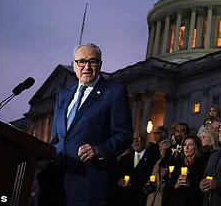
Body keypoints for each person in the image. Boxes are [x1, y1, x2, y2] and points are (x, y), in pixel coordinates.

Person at [50, 43, 133, 206]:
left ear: (100, 65)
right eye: (81, 61)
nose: (86, 67)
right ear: (74, 65)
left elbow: (124, 135)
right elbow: (57, 139)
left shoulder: (114, 92)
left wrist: (98, 150)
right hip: (57, 185)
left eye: (92, 61)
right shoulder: (63, 96)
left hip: (90, 187)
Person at [117, 134, 160, 206]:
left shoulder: (153, 158)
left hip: (143, 198)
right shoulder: (125, 158)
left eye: (139, 139)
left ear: (145, 141)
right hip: (126, 198)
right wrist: (119, 180)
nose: (135, 141)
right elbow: (118, 174)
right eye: (133, 139)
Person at [168, 135, 207, 206]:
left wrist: (190, 183)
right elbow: (170, 186)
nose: (187, 147)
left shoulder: (202, 163)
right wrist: (177, 185)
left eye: (190, 145)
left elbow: (203, 188)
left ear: (196, 147)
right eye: (185, 145)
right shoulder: (179, 162)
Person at [144, 139, 173, 206]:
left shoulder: (172, 164)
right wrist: (148, 186)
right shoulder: (157, 164)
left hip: (163, 200)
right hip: (152, 200)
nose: (163, 152)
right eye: (161, 149)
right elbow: (152, 178)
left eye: (165, 149)